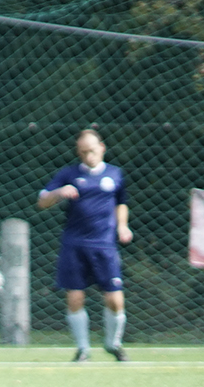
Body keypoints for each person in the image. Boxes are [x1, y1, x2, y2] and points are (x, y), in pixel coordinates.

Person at [36, 128, 131, 362]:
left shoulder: (115, 174)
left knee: (115, 299)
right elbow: (42, 201)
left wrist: (122, 226)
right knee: (75, 297)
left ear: (102, 148)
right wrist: (59, 192)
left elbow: (122, 203)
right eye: (83, 152)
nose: (88, 156)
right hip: (75, 244)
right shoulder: (68, 174)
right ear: (79, 153)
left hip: (104, 245)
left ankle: (113, 343)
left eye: (92, 150)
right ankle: (83, 349)